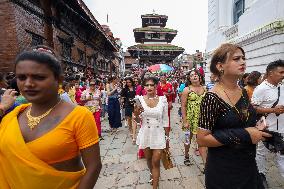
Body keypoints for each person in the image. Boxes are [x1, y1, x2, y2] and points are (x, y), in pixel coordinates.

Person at [0, 46, 102, 188]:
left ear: (59, 79)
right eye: (22, 77)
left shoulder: (79, 116)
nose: (28, 84)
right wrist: (2, 108)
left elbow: (94, 166)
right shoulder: (11, 117)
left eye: (39, 77)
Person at [197, 43, 271, 189]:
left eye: (243, 58)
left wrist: (257, 126)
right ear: (220, 66)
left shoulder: (243, 92)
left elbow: (243, 119)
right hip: (224, 170)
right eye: (236, 59)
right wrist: (245, 134)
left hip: (248, 163)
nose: (243, 62)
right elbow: (202, 138)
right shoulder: (211, 98)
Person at [252, 60, 284, 184]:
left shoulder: (282, 86)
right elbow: (253, 108)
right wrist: (272, 109)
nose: (283, 75)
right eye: (281, 72)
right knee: (261, 153)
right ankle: (261, 176)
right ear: (271, 73)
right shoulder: (261, 89)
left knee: (281, 156)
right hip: (268, 129)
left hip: (282, 127)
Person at [135, 76, 170, 189]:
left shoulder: (162, 99)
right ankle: (152, 173)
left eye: (152, 85)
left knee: (156, 160)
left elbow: (165, 119)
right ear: (144, 87)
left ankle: (155, 186)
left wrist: (167, 137)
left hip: (159, 133)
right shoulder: (139, 99)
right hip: (145, 133)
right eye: (147, 85)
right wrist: (136, 113)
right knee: (149, 159)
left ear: (156, 86)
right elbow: (136, 119)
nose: (149, 87)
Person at [181, 69, 207, 166]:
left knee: (202, 140)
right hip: (190, 119)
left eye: (196, 74)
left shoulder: (205, 89)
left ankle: (205, 163)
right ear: (189, 78)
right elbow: (183, 106)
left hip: (202, 118)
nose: (194, 76)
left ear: (200, 77)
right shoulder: (186, 89)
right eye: (192, 75)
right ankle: (186, 155)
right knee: (188, 139)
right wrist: (185, 120)